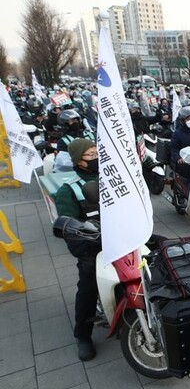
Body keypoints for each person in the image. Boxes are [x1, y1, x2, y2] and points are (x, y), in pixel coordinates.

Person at [54, 139, 101, 361]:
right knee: (88, 287)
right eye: (90, 155)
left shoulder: (111, 178)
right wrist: (85, 247)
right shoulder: (69, 189)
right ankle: (83, 335)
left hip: (121, 240)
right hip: (92, 247)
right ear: (78, 161)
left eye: (96, 153)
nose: (95, 158)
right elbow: (68, 228)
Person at [169, 106, 190, 182]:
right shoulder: (177, 134)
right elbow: (174, 149)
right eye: (188, 119)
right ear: (182, 121)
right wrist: (178, 158)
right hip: (186, 160)